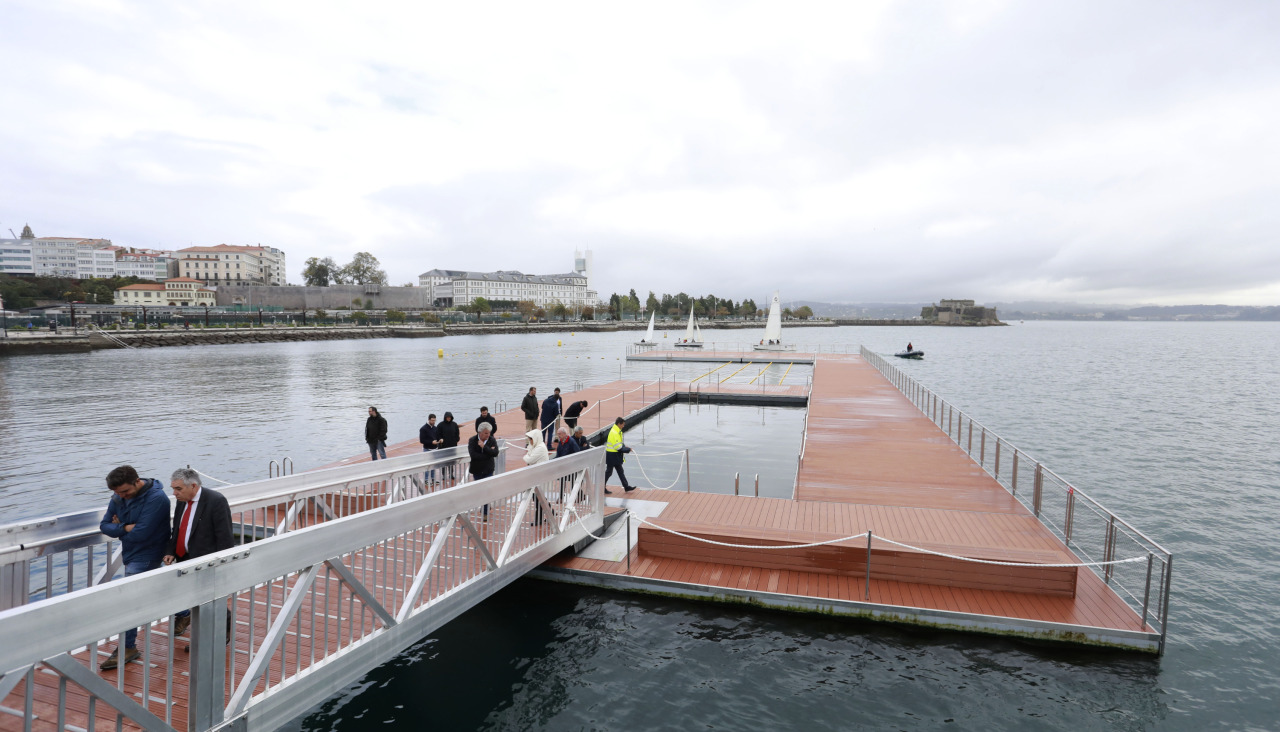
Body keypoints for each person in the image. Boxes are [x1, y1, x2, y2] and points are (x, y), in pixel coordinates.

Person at [98, 466, 170, 670]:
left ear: (137, 481)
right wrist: (127, 527)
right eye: (117, 493)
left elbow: (142, 534)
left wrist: (121, 527)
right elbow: (104, 526)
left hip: (149, 552)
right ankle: (183, 612)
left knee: (129, 600)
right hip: (130, 552)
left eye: (125, 492)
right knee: (154, 590)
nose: (122, 496)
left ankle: (127, 647)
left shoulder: (157, 498)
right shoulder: (118, 497)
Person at [163, 469, 234, 638]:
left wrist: (223, 564)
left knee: (213, 600)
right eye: (173, 488)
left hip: (207, 560)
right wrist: (171, 550)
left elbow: (225, 535)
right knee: (194, 598)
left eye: (178, 489)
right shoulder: (183, 500)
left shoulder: (216, 501)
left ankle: (221, 635)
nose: (174, 493)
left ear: (193, 486)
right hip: (184, 558)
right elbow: (178, 529)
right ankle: (202, 634)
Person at [468, 423, 500, 518]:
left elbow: (495, 453)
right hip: (477, 470)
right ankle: (485, 505)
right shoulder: (472, 440)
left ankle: (485, 512)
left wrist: (484, 447)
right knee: (480, 491)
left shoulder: (492, 440)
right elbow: (473, 455)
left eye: (489, 433)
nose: (488, 435)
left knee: (487, 490)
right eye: (486, 433)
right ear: (480, 432)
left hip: (488, 470)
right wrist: (488, 454)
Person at [604, 417, 635, 494]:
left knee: (620, 471)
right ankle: (601, 486)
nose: (623, 426)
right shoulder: (614, 433)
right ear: (619, 424)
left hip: (615, 455)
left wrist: (625, 447)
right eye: (623, 425)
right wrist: (628, 450)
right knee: (609, 472)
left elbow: (620, 444)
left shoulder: (617, 431)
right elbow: (618, 447)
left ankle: (626, 487)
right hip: (612, 455)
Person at [419, 413, 442, 487]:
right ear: (429, 420)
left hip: (435, 449)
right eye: (432, 420)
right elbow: (422, 440)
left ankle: (433, 479)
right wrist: (431, 442)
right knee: (427, 465)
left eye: (434, 420)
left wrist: (440, 439)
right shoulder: (423, 429)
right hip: (427, 449)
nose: (433, 422)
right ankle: (426, 480)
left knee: (434, 465)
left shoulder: (435, 428)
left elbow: (438, 436)